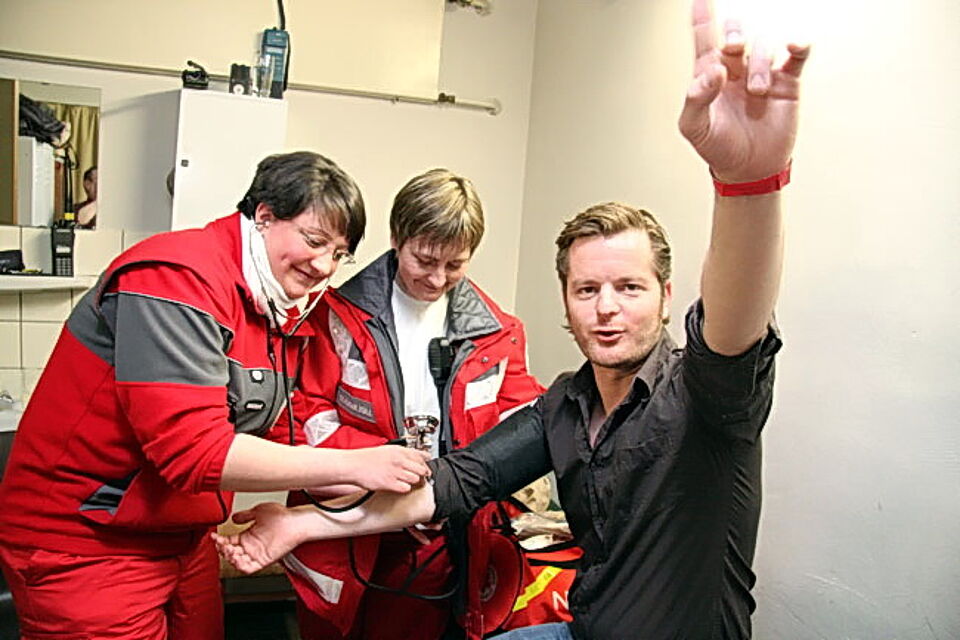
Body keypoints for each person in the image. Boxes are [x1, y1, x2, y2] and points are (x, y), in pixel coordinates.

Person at [218, 0, 811, 636]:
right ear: (566, 300)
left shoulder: (704, 396)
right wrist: (299, 521)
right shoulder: (566, 408)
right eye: (587, 289)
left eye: (629, 287)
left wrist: (748, 184)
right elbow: (454, 481)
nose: (606, 307)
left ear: (667, 296)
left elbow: (733, 329)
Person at [0, 151, 431, 640]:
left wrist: (400, 492)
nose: (324, 266)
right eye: (314, 241)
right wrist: (358, 466)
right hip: (84, 542)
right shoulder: (174, 277)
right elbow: (193, 452)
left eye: (339, 254)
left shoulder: (277, 305)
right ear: (264, 215)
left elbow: (287, 425)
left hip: (180, 534)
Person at [279, 168, 545, 639]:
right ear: (396, 239)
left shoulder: (499, 334)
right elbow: (305, 418)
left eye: (455, 264)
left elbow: (519, 426)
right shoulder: (335, 316)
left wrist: (442, 494)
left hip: (438, 532)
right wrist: (385, 482)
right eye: (424, 260)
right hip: (341, 522)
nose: (438, 278)